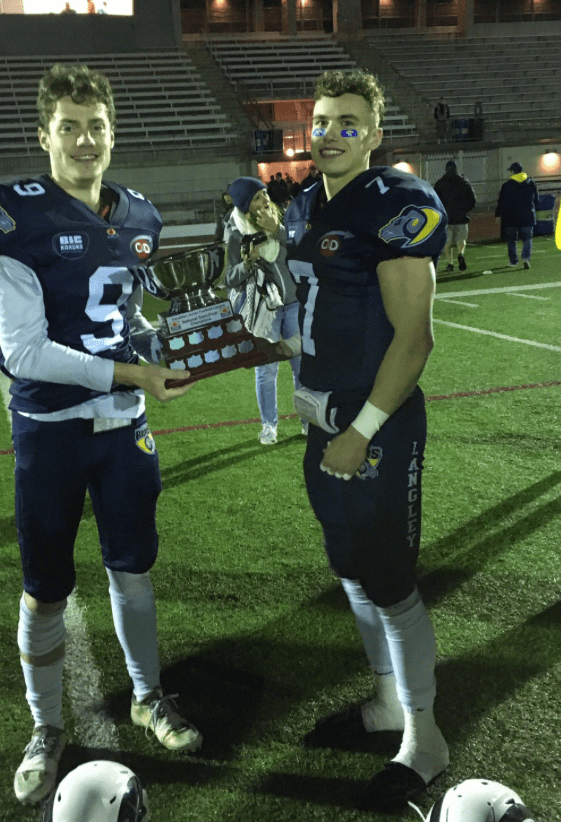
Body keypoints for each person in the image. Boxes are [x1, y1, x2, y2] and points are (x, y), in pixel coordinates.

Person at [0, 63, 202, 808]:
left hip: (121, 428)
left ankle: (147, 696)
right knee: (45, 591)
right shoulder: (13, 215)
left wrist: (180, 346)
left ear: (112, 133)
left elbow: (124, 319)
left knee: (133, 570)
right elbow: (25, 352)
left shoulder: (138, 216)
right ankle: (45, 725)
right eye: (69, 127)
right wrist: (133, 373)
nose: (85, 139)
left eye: (96, 125)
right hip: (51, 432)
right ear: (45, 136)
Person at [283, 69, 449, 812]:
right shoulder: (306, 204)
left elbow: (414, 339)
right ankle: (387, 702)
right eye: (321, 121)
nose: (331, 134)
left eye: (348, 123)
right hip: (324, 422)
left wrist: (362, 430)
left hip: (371, 427)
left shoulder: (396, 202)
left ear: (376, 134)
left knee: (390, 579)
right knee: (350, 567)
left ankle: (425, 736)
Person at [223, 176, 303, 445]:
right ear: (246, 207)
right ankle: (269, 426)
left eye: (265, 193)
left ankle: (308, 421)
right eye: (257, 198)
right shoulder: (236, 233)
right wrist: (247, 264)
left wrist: (277, 229)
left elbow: (303, 246)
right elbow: (229, 278)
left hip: (294, 303)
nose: (266, 200)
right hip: (265, 309)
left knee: (301, 367)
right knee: (266, 370)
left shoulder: (283, 220)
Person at [433, 160, 477, 272]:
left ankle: (450, 263)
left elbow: (435, 200)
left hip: (446, 218)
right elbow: (473, 199)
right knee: (461, 240)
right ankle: (461, 254)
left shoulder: (440, 183)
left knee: (447, 242)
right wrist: (466, 210)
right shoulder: (464, 181)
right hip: (461, 217)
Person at [495, 162, 539, 269]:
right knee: (527, 238)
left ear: (512, 172)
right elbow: (536, 199)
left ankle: (513, 261)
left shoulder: (507, 185)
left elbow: (502, 202)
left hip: (511, 217)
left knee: (511, 240)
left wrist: (498, 215)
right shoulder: (531, 183)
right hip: (527, 215)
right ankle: (526, 258)